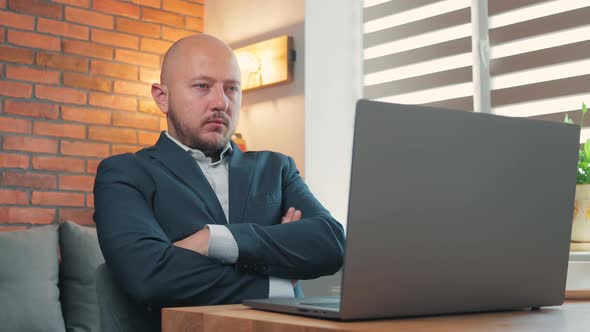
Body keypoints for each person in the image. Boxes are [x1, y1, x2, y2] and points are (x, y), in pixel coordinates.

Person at [93, 34, 345, 322]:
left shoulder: (276, 168)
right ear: (162, 97)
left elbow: (331, 244)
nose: (221, 102)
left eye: (232, 89)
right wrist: (278, 281)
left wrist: (212, 239)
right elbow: (148, 275)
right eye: (202, 86)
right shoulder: (125, 173)